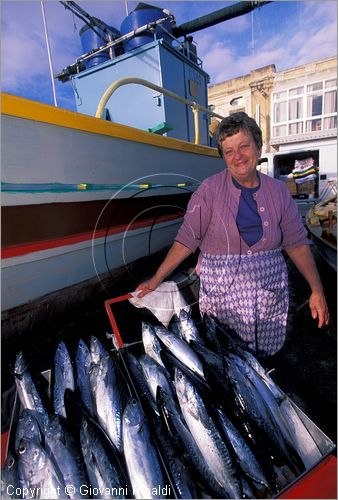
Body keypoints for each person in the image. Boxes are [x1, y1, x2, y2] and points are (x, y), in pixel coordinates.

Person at [136, 112, 329, 358]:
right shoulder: (209, 190)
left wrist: (316, 289)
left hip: (268, 292)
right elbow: (187, 239)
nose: (237, 157)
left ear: (258, 147)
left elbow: (297, 244)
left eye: (244, 146)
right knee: (227, 357)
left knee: (267, 356)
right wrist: (156, 279)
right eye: (229, 151)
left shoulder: (279, 192)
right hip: (223, 294)